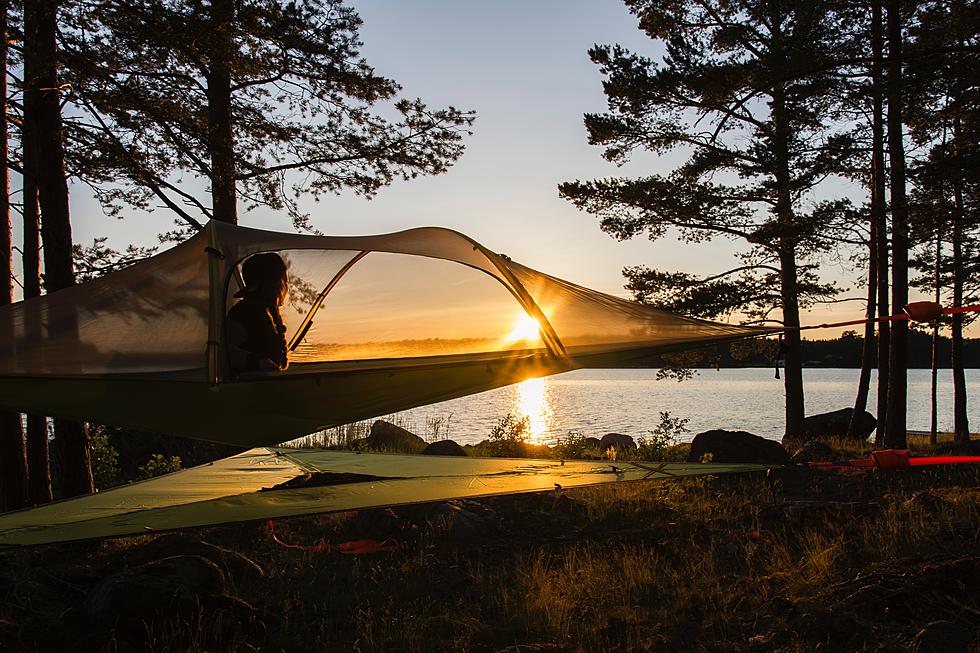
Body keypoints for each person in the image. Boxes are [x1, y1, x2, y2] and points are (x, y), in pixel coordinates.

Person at [226, 252, 289, 373]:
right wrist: (257, 361)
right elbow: (221, 351)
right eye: (282, 280)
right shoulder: (243, 311)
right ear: (271, 284)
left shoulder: (265, 312)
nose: (284, 286)